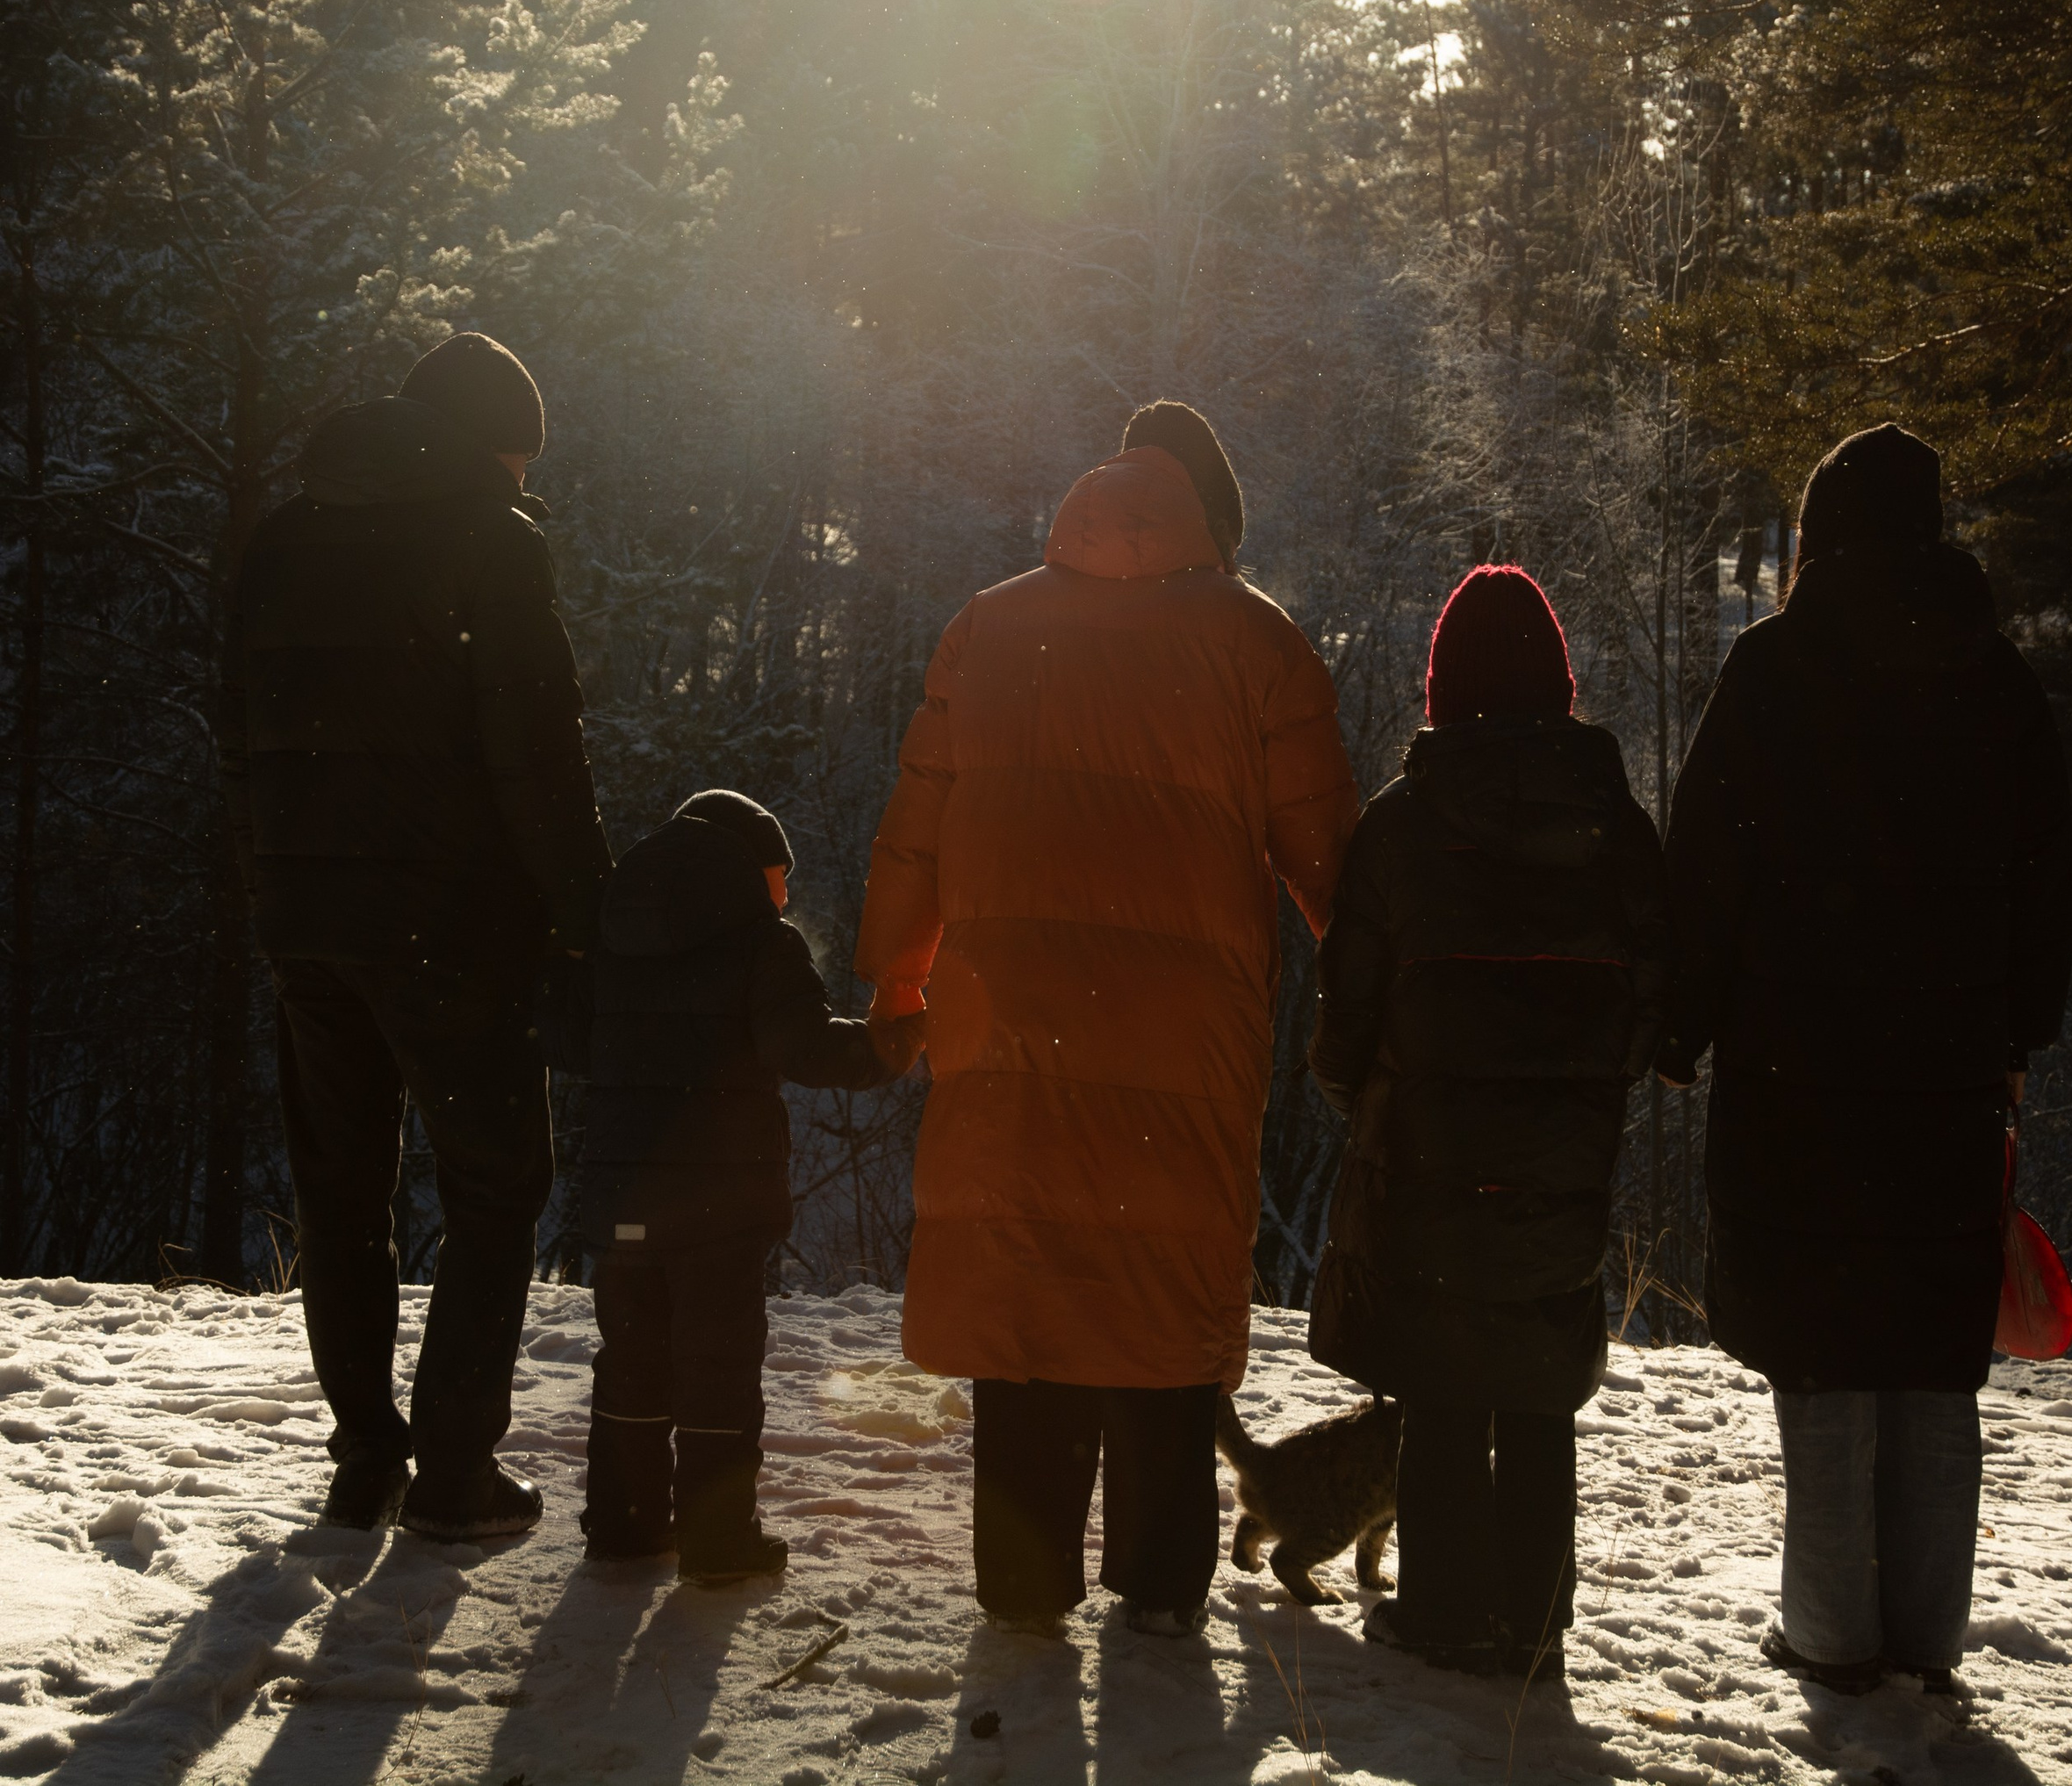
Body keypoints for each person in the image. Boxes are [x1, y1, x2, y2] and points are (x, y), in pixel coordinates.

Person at [854, 401, 1360, 1637]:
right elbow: (1331, 860)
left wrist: (896, 979)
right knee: (1160, 1278)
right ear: (1212, 522)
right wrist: (1374, 985)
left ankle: (1024, 1580)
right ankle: (1159, 1575)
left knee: (1023, 1277)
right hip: (1185, 1031)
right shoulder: (1257, 642)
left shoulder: (989, 625)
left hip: (1009, 1016)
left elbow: (919, 819)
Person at [1663, 422, 2071, 1696]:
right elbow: (2047, 881)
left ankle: (1832, 1634)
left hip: (1800, 1070)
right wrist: (2018, 1027)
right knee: (1933, 1348)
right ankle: (1926, 1638)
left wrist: (1676, 1027)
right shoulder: (1997, 683)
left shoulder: (1774, 672)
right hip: (1950, 1070)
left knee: (1827, 1340)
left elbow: (1705, 871)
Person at [219, 332, 612, 1542]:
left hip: (302, 916)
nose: (523, 482)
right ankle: (454, 1471)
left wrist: (281, 889)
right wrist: (590, 917)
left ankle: (362, 1460)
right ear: (489, 445)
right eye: (518, 458)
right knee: (499, 1184)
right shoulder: (490, 542)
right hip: (446, 919)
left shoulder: (279, 542)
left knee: (342, 1193)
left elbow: (239, 728)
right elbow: (536, 753)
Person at [1307, 565, 1665, 1681]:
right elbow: (1659, 996)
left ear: (1440, 686)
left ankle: (1450, 1612)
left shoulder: (1403, 827)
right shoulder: (1616, 827)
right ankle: (1536, 1621)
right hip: (1563, 1158)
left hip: (1431, 1156)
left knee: (1445, 1372)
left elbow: (1346, 1014)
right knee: (1538, 1378)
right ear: (1559, 684)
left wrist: (1367, 1094)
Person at [575, 789, 907, 1583]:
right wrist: (888, 1049)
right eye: (779, 874)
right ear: (749, 869)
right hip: (719, 1206)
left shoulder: (611, 934)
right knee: (717, 1367)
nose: (786, 892)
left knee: (632, 1358)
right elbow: (804, 1049)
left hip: (623, 1199)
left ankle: (625, 1527)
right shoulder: (764, 944)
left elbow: (566, 1033)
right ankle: (720, 1544)